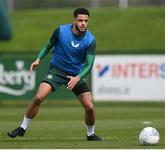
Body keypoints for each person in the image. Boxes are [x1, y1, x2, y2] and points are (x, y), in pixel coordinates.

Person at [7, 8, 102, 141]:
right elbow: (48, 46)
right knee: (39, 97)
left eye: (86, 21)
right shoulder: (61, 31)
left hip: (75, 75)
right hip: (57, 71)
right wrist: (38, 59)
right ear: (74, 20)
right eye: (80, 20)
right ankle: (22, 127)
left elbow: (89, 64)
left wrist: (78, 77)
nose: (83, 23)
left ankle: (90, 134)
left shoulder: (90, 40)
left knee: (90, 107)